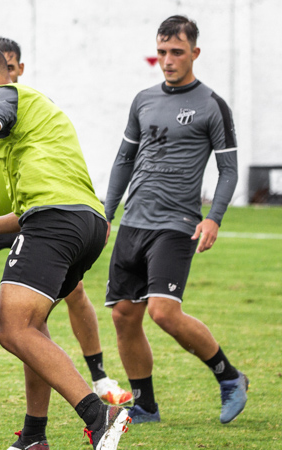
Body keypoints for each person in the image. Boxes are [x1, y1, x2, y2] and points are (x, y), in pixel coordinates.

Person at [0, 41, 130, 450]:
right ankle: (34, 439)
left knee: (13, 329)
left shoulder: (8, 95)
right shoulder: (35, 123)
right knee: (32, 328)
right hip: (84, 222)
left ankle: (100, 417)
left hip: (57, 221)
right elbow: (28, 211)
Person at [104, 15, 247, 425]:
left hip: (177, 222)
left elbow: (230, 170)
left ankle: (230, 378)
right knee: (123, 314)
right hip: (135, 220)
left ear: (194, 53)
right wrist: (107, 211)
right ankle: (146, 405)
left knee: (163, 313)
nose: (168, 60)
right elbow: (124, 159)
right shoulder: (143, 99)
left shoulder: (212, 105)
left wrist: (213, 218)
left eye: (177, 52)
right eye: (162, 52)